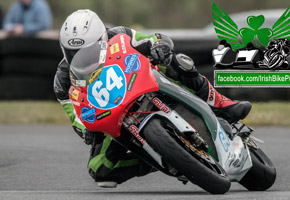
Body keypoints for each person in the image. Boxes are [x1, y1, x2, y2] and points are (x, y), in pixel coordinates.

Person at [54, 10, 252, 188]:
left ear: (102, 38)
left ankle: (221, 103)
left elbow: (153, 38)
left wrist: (160, 46)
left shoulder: (119, 35)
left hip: (141, 79)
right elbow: (75, 116)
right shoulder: (62, 81)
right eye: (73, 54)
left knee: (178, 62)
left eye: (88, 51)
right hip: (110, 113)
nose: (81, 58)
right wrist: (85, 130)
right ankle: (164, 159)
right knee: (99, 170)